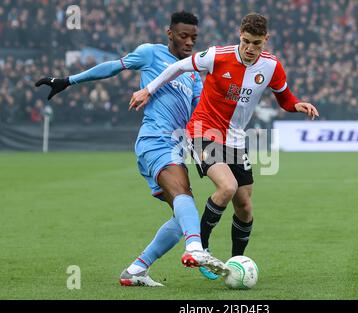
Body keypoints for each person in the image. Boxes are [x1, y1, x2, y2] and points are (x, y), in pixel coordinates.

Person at [35, 11, 227, 287]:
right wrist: (68, 80)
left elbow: (198, 113)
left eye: (194, 38)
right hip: (155, 141)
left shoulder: (193, 71)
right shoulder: (150, 53)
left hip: (174, 145)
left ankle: (137, 269)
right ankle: (196, 248)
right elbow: (113, 66)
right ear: (169, 33)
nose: (189, 42)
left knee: (182, 216)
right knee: (184, 196)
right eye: (183, 36)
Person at [129, 13, 319, 279]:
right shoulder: (218, 55)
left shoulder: (271, 66)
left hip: (236, 140)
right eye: (246, 42)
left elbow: (284, 97)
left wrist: (297, 105)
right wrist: (148, 89)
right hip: (203, 131)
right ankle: (200, 249)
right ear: (239, 34)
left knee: (245, 206)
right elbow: (178, 67)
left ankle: (236, 262)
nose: (250, 49)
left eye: (257, 44)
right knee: (227, 187)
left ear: (266, 40)